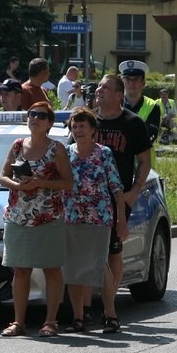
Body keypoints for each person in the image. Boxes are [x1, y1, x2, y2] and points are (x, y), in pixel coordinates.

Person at [0, 101, 72, 338]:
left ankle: (50, 321)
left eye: (41, 115)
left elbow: (67, 183)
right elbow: (2, 177)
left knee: (51, 269)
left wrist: (41, 183)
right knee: (20, 271)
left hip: (48, 216)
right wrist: (19, 185)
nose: (34, 118)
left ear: (49, 123)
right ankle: (18, 322)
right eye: (31, 114)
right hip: (18, 216)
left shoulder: (56, 149)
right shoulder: (18, 145)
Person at [92, 73, 151, 333]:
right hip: (88, 198)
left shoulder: (133, 123)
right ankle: (88, 308)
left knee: (112, 251)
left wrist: (134, 191)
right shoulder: (87, 120)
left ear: (118, 95)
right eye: (98, 87)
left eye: (105, 87)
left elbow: (144, 161)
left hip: (118, 198)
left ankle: (109, 305)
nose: (99, 90)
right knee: (92, 251)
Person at [61, 106, 125, 333]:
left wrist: (121, 220)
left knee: (99, 265)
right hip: (72, 218)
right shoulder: (66, 153)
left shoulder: (103, 153)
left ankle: (111, 315)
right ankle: (78, 318)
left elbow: (116, 188)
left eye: (82, 126)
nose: (78, 130)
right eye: (74, 126)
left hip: (99, 217)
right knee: (74, 268)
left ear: (92, 130)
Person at [118, 60, 161, 144]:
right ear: (122, 82)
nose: (131, 83)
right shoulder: (114, 103)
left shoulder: (153, 106)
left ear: (143, 83)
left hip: (142, 156)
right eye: (127, 79)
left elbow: (151, 135)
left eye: (136, 79)